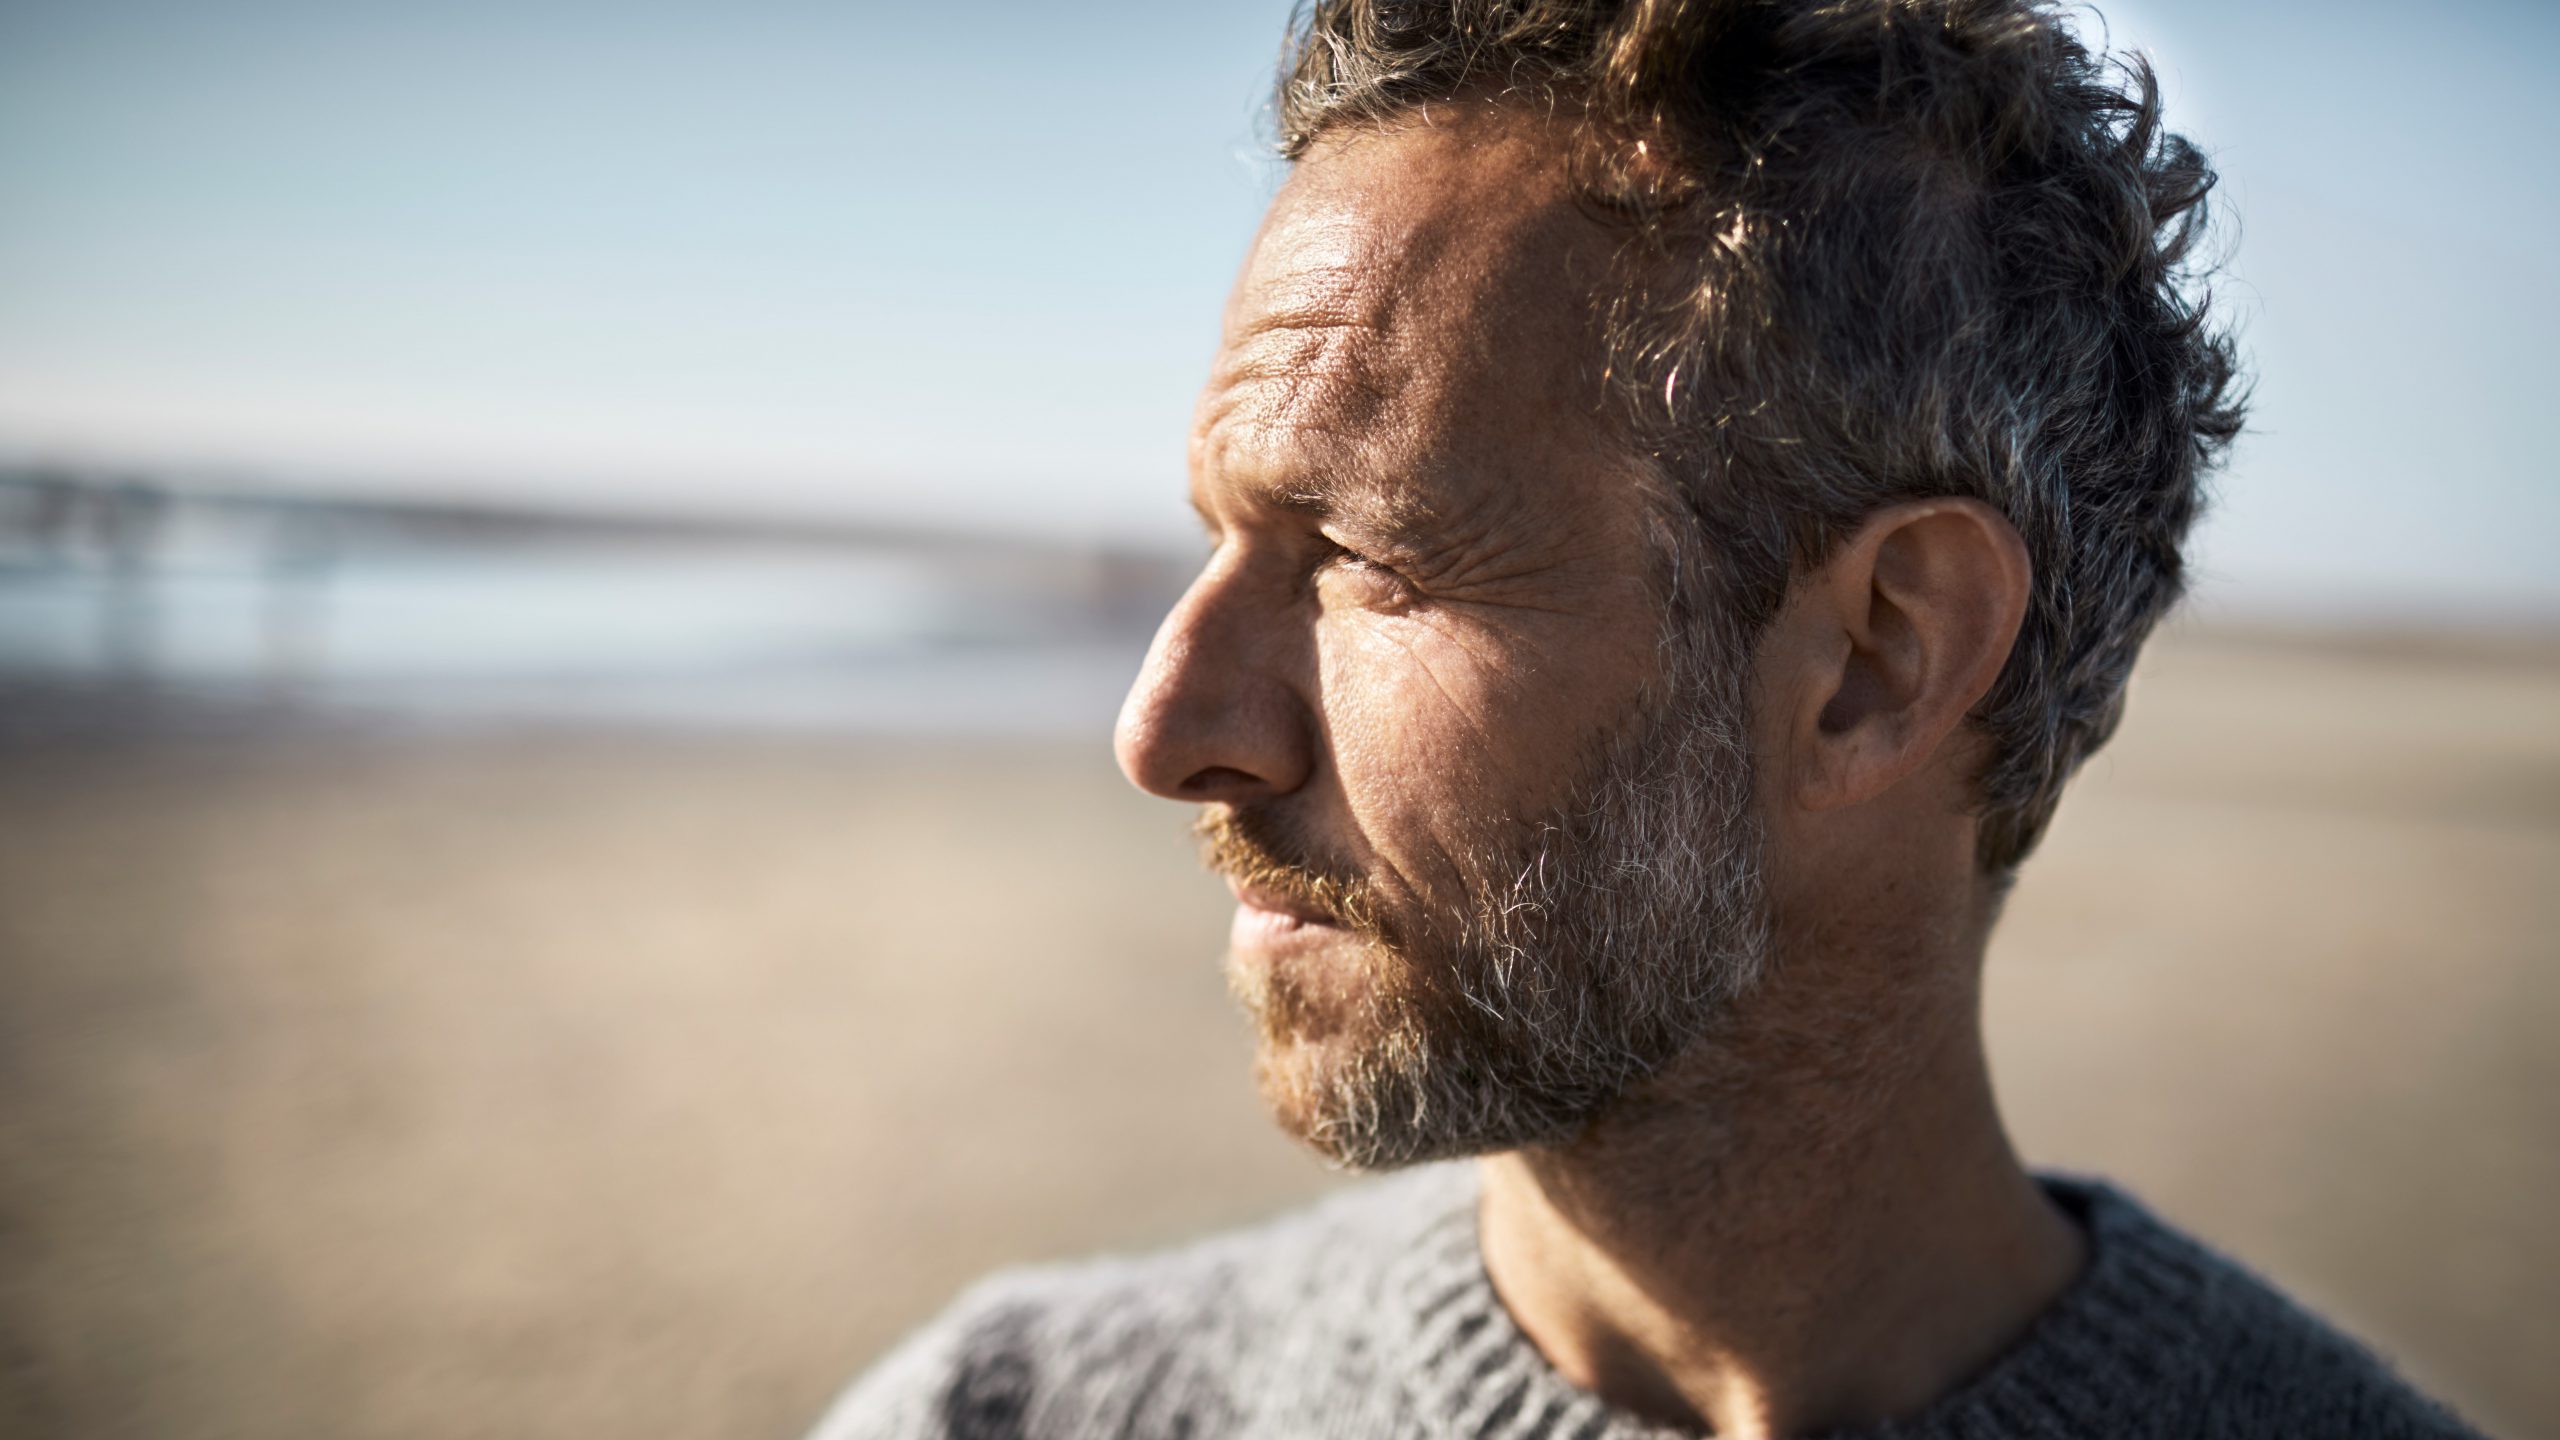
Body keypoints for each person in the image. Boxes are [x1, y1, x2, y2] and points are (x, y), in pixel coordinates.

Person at [814, 1, 2482, 1436]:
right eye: (1222, 539)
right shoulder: (1013, 1410)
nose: (1168, 728)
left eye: (1367, 558)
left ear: (1880, 661)